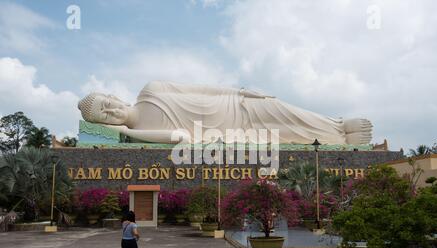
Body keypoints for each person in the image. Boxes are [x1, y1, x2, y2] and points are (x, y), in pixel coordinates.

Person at [78, 81, 373, 145]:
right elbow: (180, 136)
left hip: (231, 106)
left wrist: (240, 92)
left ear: (114, 95)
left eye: (107, 103)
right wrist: (129, 132)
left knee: (281, 108)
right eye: (105, 116)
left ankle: (337, 124)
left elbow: (201, 90)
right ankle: (343, 140)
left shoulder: (151, 90)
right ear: (105, 123)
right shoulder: (141, 132)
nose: (113, 111)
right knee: (286, 134)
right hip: (226, 133)